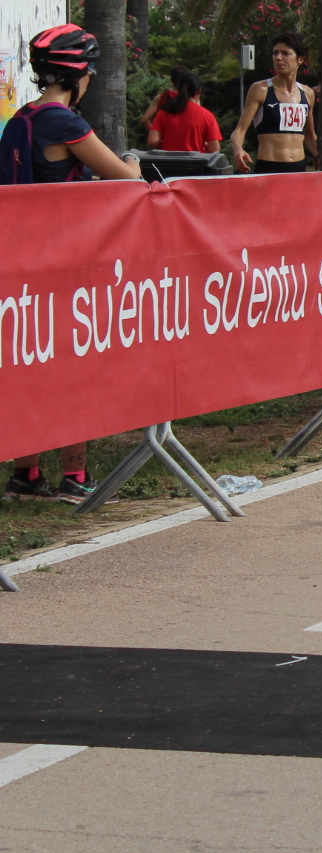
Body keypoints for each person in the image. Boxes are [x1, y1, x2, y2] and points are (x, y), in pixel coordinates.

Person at [3, 25, 142, 505]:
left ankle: (26, 475)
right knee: (73, 367)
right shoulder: (63, 123)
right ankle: (75, 477)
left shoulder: (20, 118)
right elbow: (125, 179)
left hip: (20, 263)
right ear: (79, 76)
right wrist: (132, 160)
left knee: (30, 366)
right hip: (62, 264)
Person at [232, 33, 317, 173]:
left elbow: (310, 137)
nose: (278, 58)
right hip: (269, 168)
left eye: (285, 53)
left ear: (300, 59)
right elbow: (239, 131)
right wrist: (238, 150)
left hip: (298, 169)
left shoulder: (308, 93)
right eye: (275, 53)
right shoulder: (261, 89)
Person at [147, 66, 223, 154]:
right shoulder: (208, 116)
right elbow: (214, 149)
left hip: (168, 161)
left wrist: (167, 146)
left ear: (178, 89)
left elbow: (152, 141)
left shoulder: (163, 113)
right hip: (196, 162)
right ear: (199, 91)